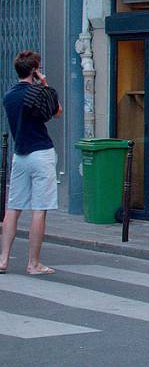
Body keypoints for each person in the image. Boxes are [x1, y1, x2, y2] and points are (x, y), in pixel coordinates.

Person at [1, 50, 62, 275]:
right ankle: (33, 263)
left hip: (20, 154)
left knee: (13, 207)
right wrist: (44, 85)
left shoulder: (9, 97)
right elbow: (57, 112)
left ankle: (3, 259)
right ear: (35, 70)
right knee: (39, 209)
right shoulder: (38, 92)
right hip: (41, 152)